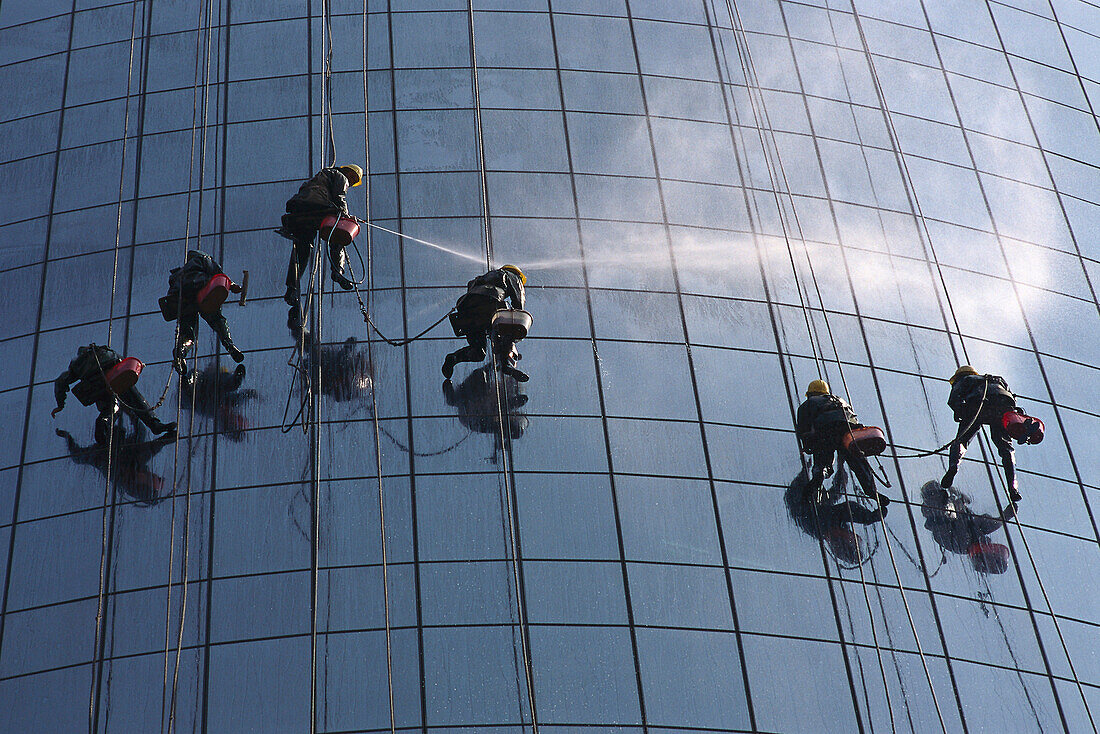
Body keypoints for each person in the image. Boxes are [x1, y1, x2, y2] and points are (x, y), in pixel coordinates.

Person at [941, 366, 1038, 503]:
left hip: (978, 404)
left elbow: (953, 399)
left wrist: (960, 412)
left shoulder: (966, 379)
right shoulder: (997, 380)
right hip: (1003, 406)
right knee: (1006, 449)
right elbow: (1012, 398)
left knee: (962, 440)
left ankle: (953, 467)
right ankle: (1013, 489)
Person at [52, 343, 176, 444]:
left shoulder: (77, 365)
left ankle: (103, 425)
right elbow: (124, 364)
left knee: (112, 408)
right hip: (113, 378)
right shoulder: (104, 352)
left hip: (97, 386)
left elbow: (60, 382)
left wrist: (60, 404)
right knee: (135, 397)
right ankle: (155, 424)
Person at [276, 164, 364, 305]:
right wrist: (346, 217)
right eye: (352, 177)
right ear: (346, 170)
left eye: (353, 181)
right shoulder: (341, 176)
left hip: (300, 210)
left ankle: (291, 289)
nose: (351, 181)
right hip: (319, 207)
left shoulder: (320, 177)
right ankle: (338, 271)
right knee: (338, 235)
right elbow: (339, 196)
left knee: (303, 249)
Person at [795, 379, 889, 507]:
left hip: (825, 432)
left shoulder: (807, 404)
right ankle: (872, 492)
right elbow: (854, 421)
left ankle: (817, 479)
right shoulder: (839, 400)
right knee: (858, 463)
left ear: (810, 394)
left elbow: (803, 429)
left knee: (823, 460)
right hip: (845, 432)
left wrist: (808, 446)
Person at [162, 250, 244, 376]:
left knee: (188, 333)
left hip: (183, 299)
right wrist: (233, 286)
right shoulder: (203, 259)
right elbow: (219, 275)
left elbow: (171, 291)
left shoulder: (177, 274)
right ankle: (229, 345)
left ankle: (181, 352)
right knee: (217, 320)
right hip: (201, 290)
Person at [785, 466, 886, 567]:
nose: (851, 531)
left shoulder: (821, 526)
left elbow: (845, 510)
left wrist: (869, 518)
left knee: (831, 484)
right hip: (810, 495)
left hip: (801, 491)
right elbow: (835, 506)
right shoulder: (831, 527)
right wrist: (841, 472)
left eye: (851, 536)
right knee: (837, 488)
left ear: (844, 541)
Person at [442, 265, 529, 382]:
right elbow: (518, 302)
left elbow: (471, 288)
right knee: (509, 326)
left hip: (468, 307)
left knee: (479, 352)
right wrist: (518, 318)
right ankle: (506, 364)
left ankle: (453, 358)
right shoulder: (512, 276)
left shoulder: (481, 279)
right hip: (490, 302)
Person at [57, 424, 173, 505]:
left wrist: (68, 437)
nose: (154, 474)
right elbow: (155, 444)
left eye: (157, 478)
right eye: (158, 477)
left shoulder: (113, 469)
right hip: (121, 447)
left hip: (110, 452)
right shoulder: (139, 458)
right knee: (140, 434)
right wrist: (168, 438)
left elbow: (78, 457)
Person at [921, 480, 1013, 575]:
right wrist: (1005, 516)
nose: (992, 545)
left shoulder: (963, 543)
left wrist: (958, 503)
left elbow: (958, 518)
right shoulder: (975, 538)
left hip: (939, 514)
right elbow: (987, 524)